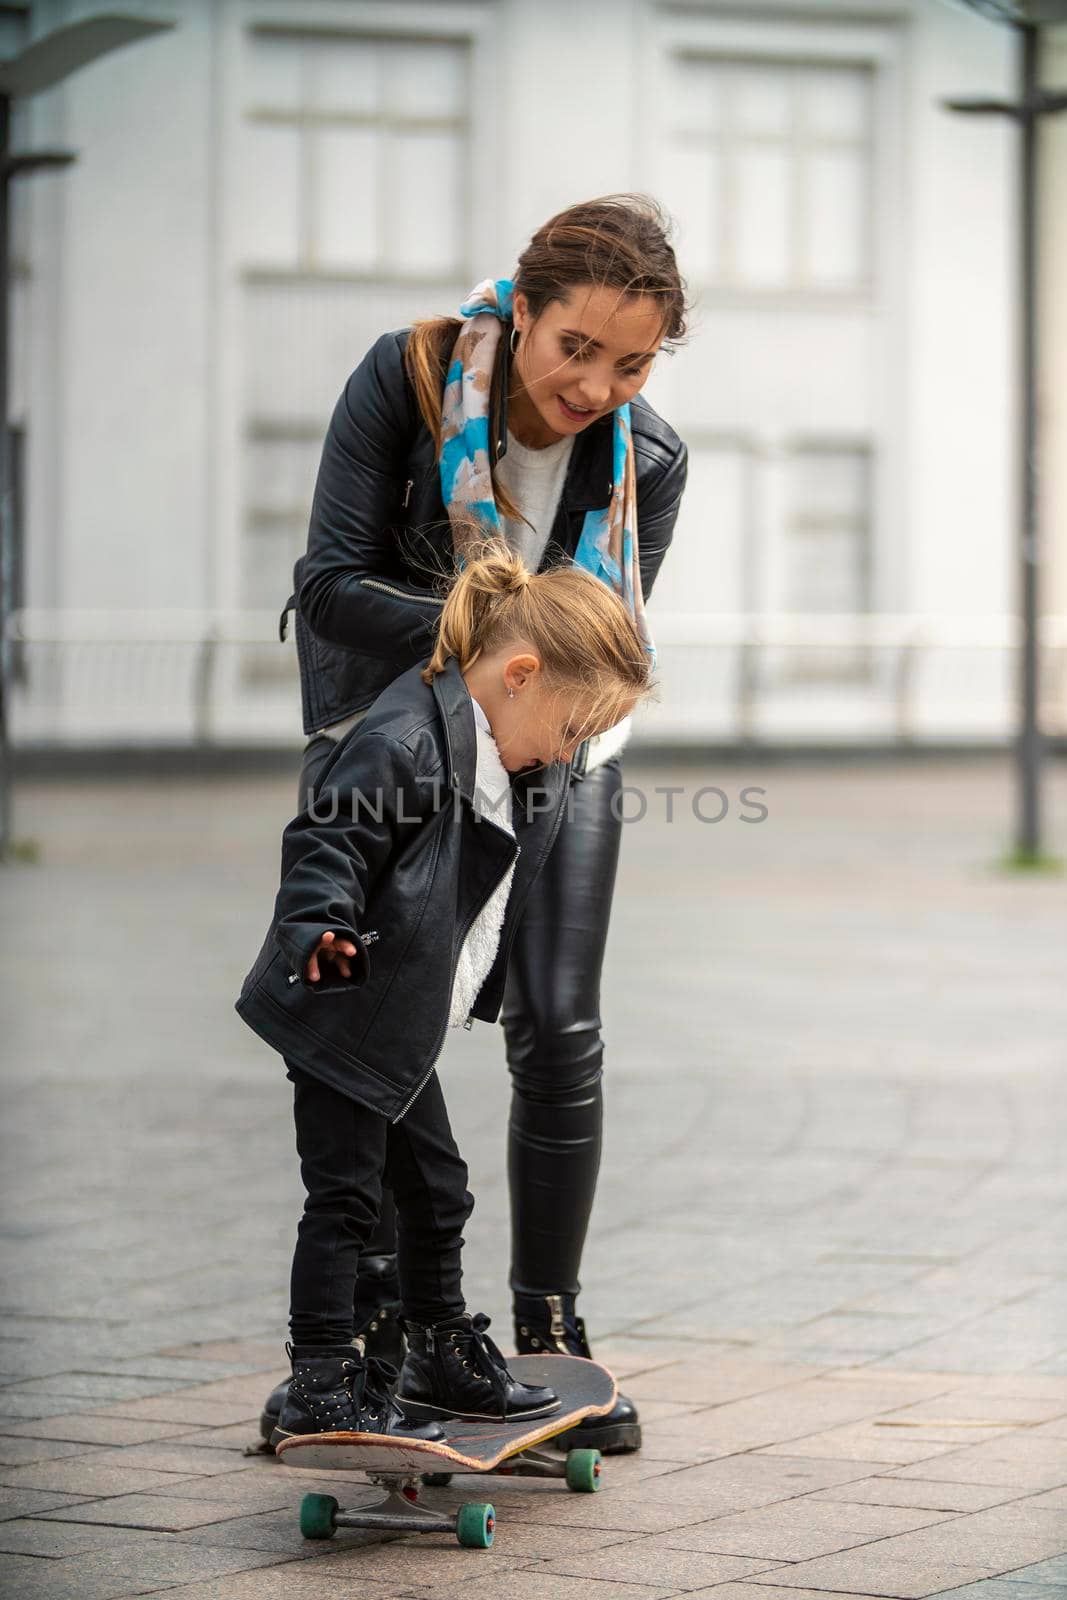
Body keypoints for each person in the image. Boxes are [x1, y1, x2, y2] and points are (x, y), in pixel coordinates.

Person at [260, 194, 689, 1454]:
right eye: (577, 350)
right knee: (381, 1020)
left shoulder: (648, 459)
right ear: (524, 309)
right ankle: (382, 1334)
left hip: (557, 734)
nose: (597, 384)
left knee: (558, 1021)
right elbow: (329, 587)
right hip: (397, 732)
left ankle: (545, 1329)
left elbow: (599, 645)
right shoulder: (402, 378)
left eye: (632, 362)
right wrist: (479, 639)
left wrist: (541, 685)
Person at [236, 545, 652, 1442]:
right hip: (341, 998)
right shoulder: (405, 740)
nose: (571, 751)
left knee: (439, 1190)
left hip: (395, 1013)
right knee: (345, 1197)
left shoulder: (506, 754)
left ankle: (439, 1351)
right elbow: (326, 838)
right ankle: (321, 1376)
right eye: (573, 726)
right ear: (519, 674)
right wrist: (316, 924)